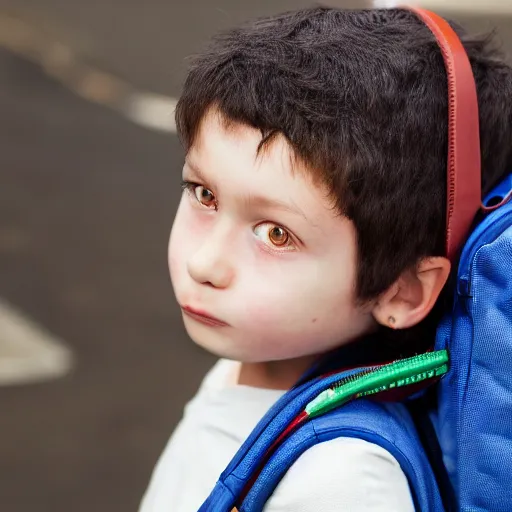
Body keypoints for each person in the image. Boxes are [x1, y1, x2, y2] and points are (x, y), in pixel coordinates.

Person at [139, 7, 512, 511]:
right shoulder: (250, 366)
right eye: (204, 194)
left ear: (403, 291)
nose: (204, 264)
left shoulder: (345, 483)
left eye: (276, 234)